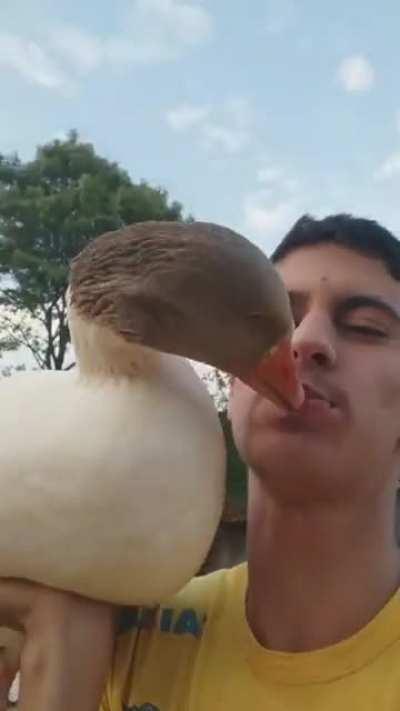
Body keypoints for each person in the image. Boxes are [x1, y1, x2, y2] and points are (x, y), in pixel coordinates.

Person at [3, 212, 400, 710]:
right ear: (231, 384)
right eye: (281, 320)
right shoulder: (113, 625)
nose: (304, 342)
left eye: (367, 328)